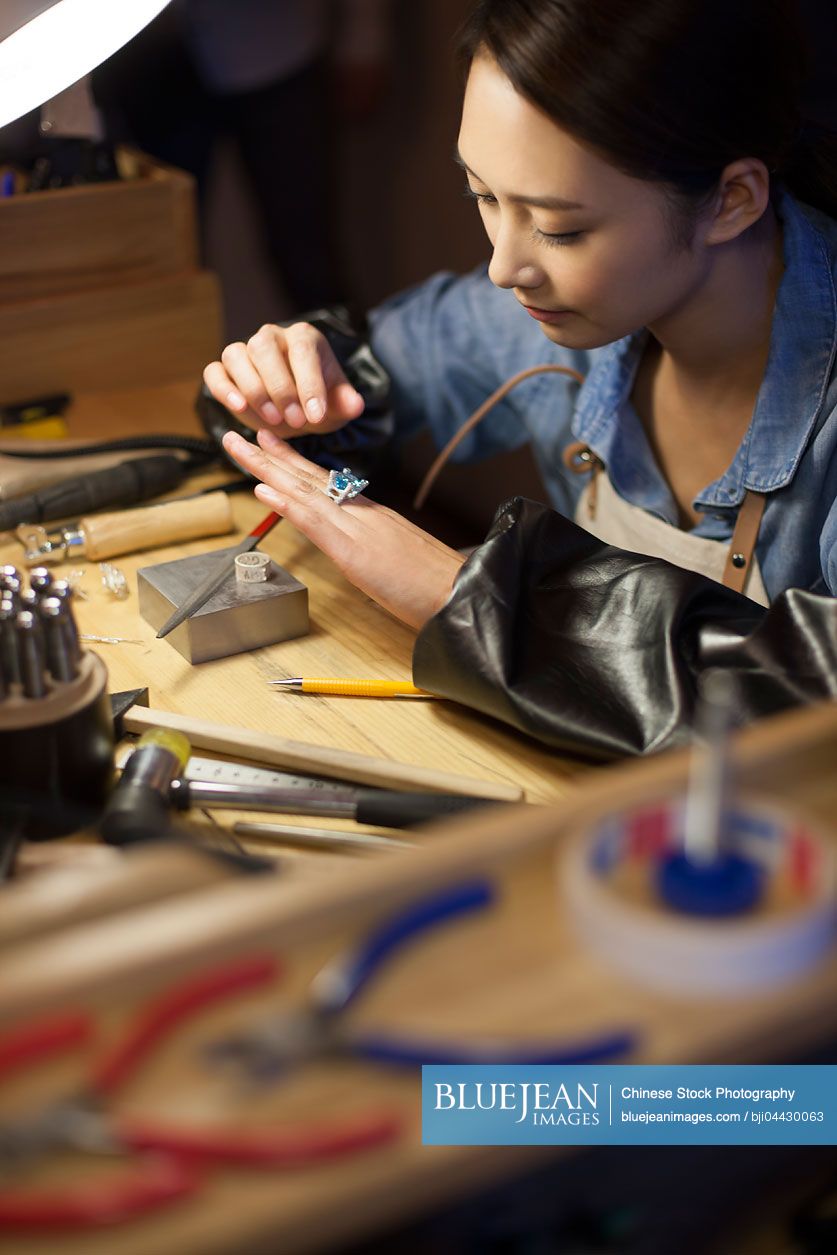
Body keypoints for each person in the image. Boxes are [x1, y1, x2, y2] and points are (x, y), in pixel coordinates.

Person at [204, 0, 837, 757]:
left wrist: (468, 595)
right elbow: (366, 372)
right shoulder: (546, 315)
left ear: (731, 200)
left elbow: (806, 702)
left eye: (560, 228)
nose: (505, 268)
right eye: (483, 196)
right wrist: (288, 381)